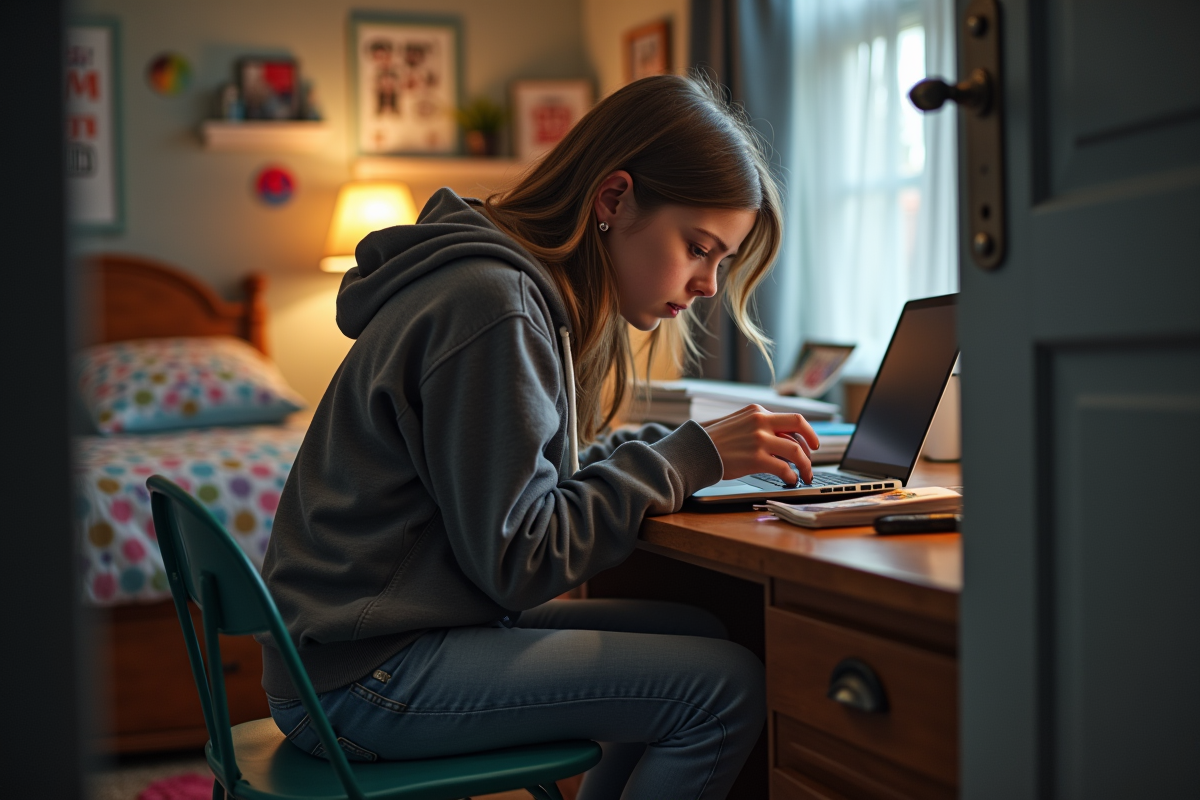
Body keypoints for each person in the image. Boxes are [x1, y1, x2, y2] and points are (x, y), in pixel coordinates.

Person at [259, 74, 819, 800]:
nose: (709, 284)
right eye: (698, 247)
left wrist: (684, 448)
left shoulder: (502, 288)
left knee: (705, 632)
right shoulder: (495, 307)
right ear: (613, 200)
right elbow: (520, 560)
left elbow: (530, 484)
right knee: (723, 689)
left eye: (722, 261)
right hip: (362, 675)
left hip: (372, 637)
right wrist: (688, 459)